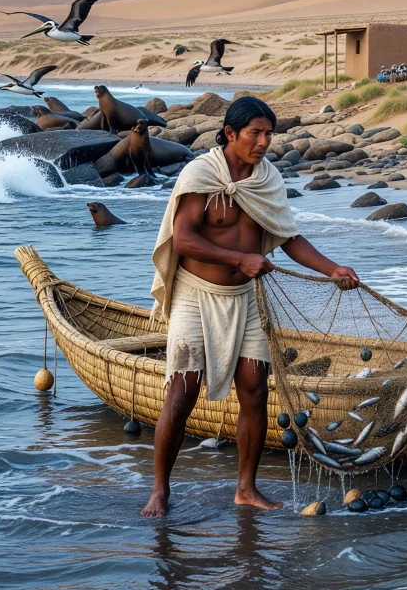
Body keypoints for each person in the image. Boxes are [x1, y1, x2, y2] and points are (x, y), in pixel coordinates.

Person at [142, 96, 359, 518]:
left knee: (256, 392)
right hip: (196, 294)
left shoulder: (268, 178)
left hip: (247, 299)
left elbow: (287, 236)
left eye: (269, 134)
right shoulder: (200, 174)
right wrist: (238, 259)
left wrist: (333, 268)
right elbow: (182, 238)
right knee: (182, 394)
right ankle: (160, 490)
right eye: (255, 133)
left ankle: (246, 489)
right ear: (230, 134)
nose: (264, 142)